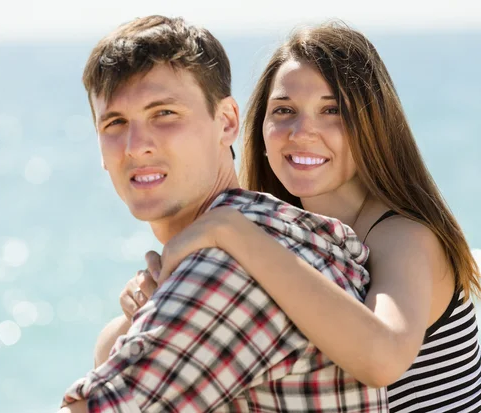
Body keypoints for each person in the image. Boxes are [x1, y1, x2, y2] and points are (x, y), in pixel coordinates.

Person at [112, 22, 481, 412]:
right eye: (284, 110)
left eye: (331, 110)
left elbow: (383, 358)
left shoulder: (405, 236)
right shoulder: (285, 234)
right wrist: (147, 310)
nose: (302, 131)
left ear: (372, 125)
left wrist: (231, 230)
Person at [59, 15, 388, 413]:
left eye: (164, 114)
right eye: (115, 122)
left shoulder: (228, 266)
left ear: (227, 122)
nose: (135, 145)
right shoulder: (266, 230)